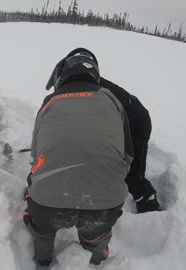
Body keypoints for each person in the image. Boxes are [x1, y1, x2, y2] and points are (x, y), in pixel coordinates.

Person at [23, 48, 159, 268]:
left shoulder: (49, 102)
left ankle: (42, 258)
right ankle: (95, 258)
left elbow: (35, 154)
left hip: (48, 205)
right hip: (103, 207)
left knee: (42, 226)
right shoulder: (113, 100)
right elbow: (127, 156)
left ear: (63, 75)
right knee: (97, 231)